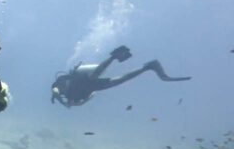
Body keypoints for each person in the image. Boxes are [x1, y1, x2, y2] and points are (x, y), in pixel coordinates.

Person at [50, 45, 191, 107]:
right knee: (120, 80)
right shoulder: (70, 98)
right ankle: (148, 66)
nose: (61, 89)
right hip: (91, 87)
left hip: (82, 79)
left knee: (95, 74)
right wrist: (77, 103)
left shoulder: (59, 84)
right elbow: (84, 100)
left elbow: (55, 91)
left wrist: (62, 102)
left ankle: (113, 57)